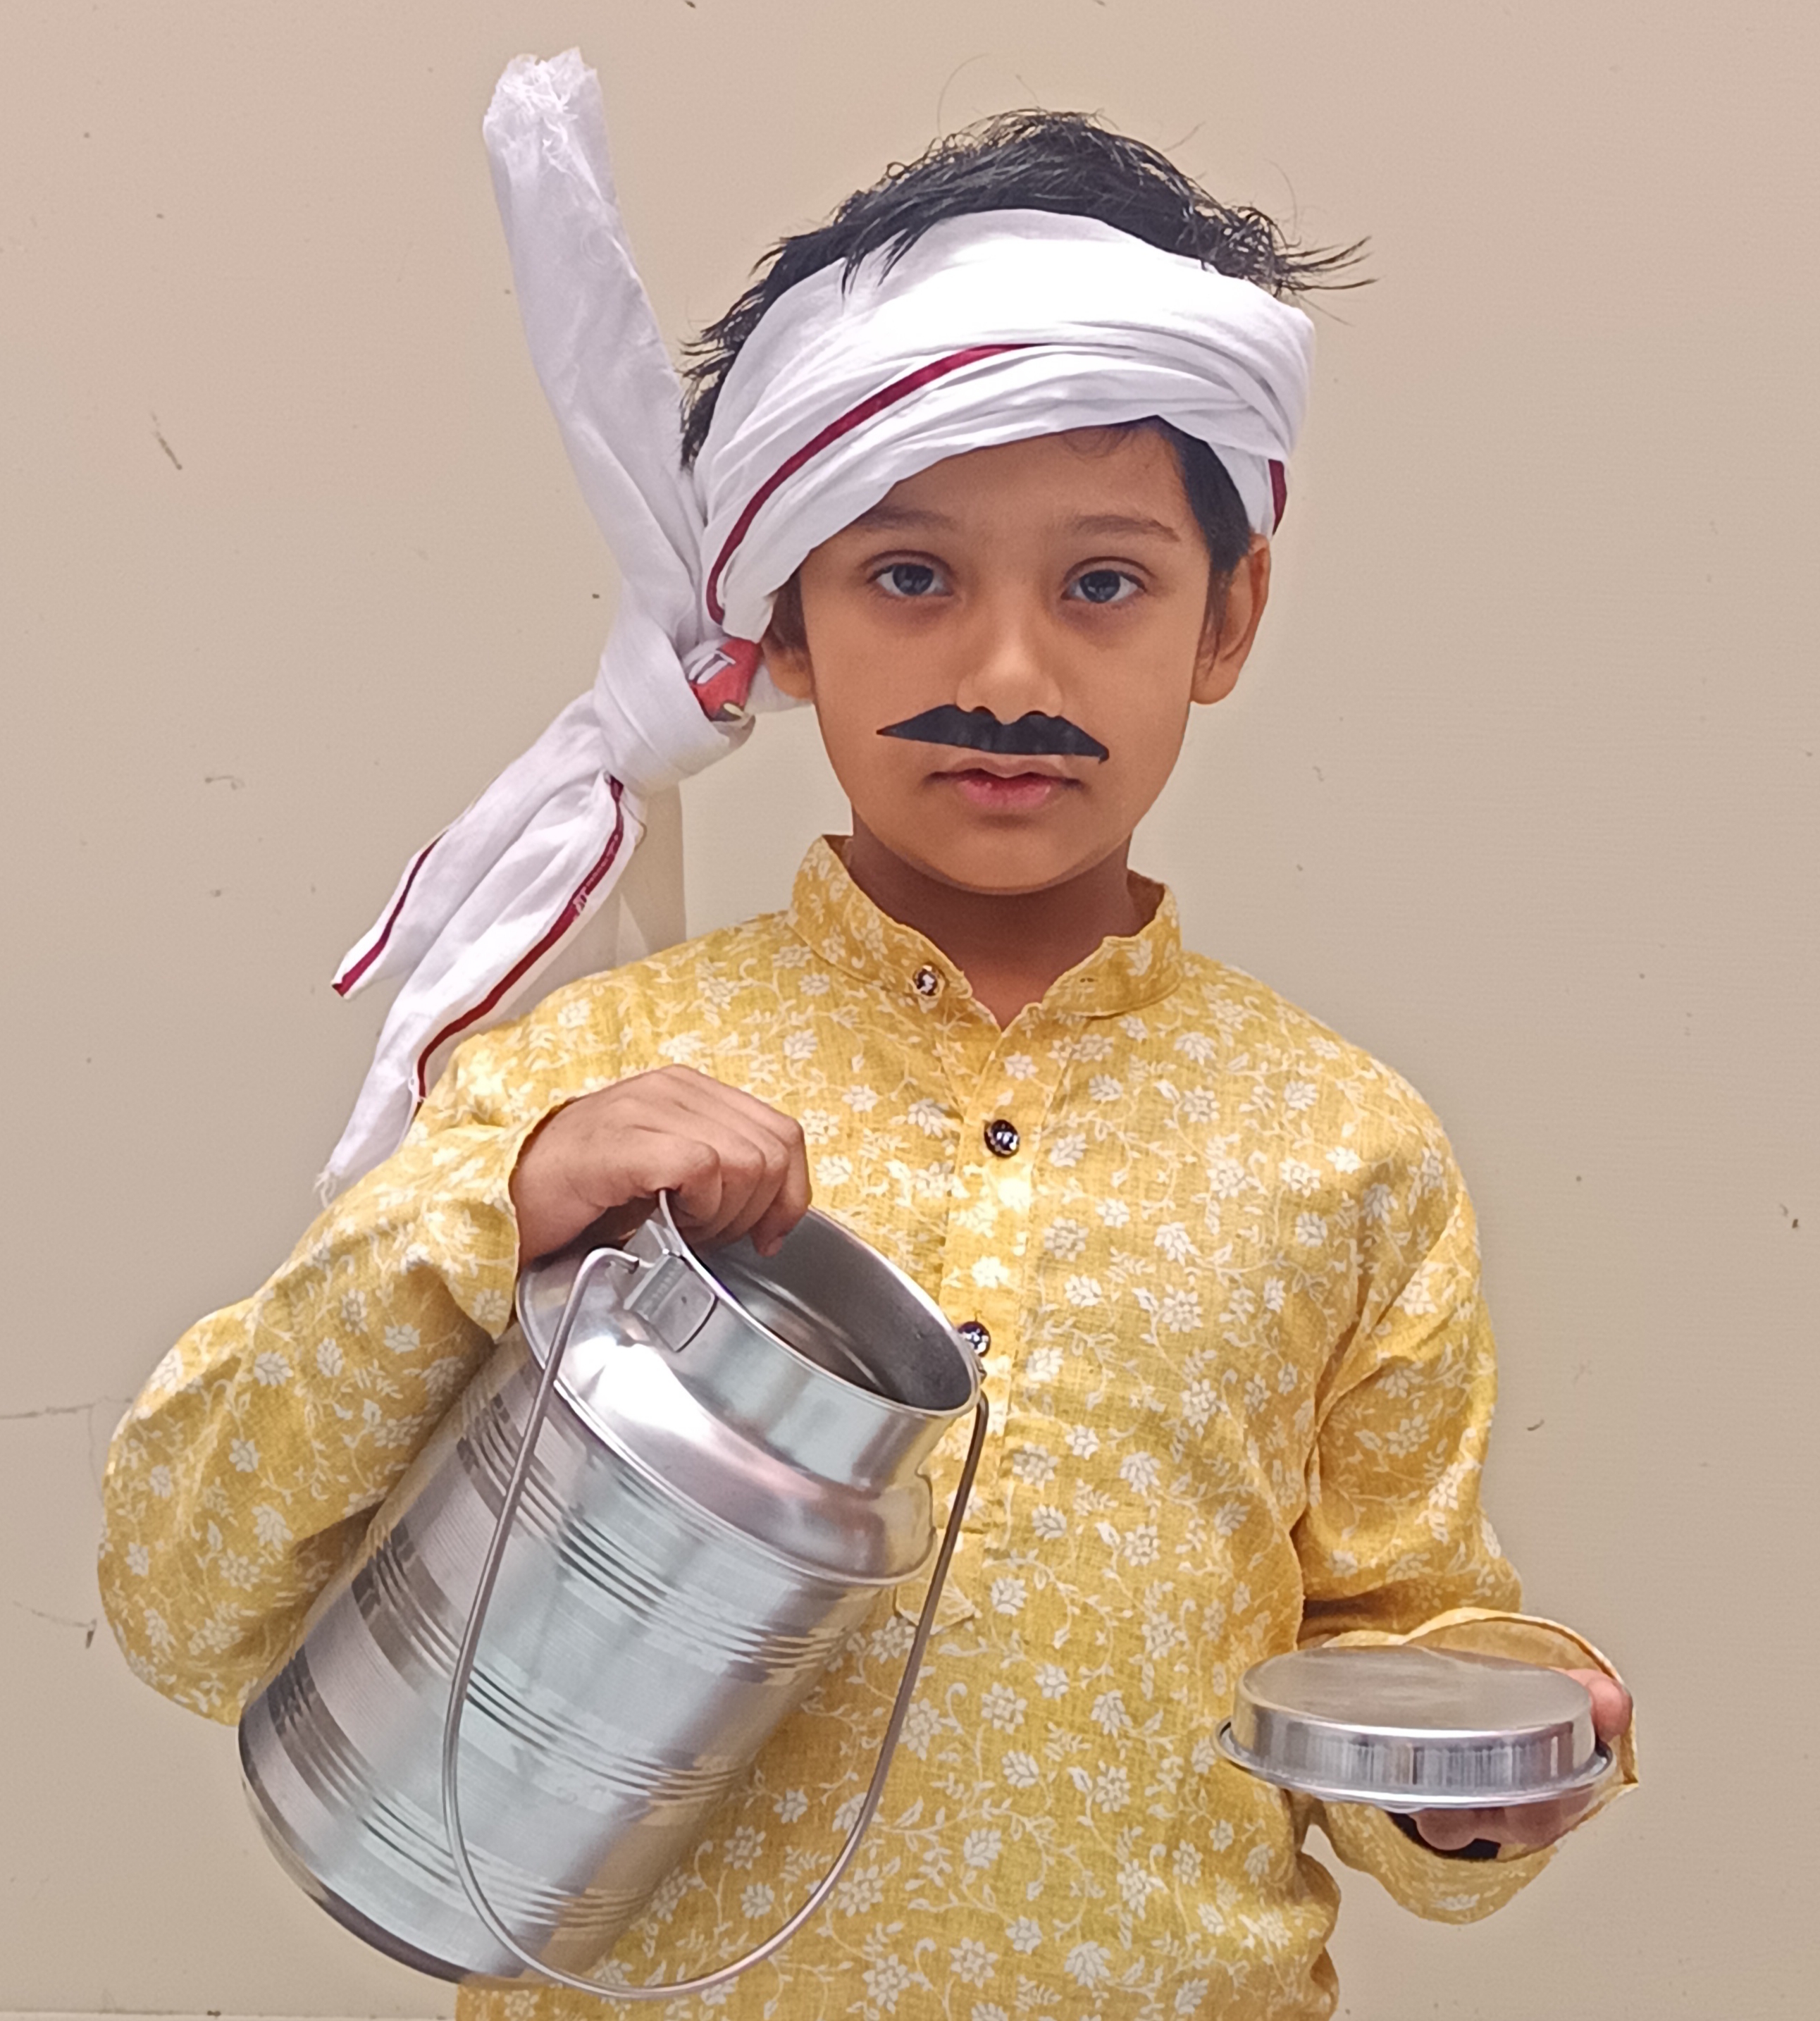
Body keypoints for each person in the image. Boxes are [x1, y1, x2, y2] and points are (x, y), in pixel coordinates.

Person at [99, 54, 1634, 2021]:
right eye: (910, 575)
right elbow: (181, 1598)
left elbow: (1386, 1675)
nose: (1008, 668)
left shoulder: (1345, 1145)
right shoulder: (593, 1088)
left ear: (1228, 618)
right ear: (786, 619)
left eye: (1104, 583)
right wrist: (490, 1207)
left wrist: (1493, 1766)